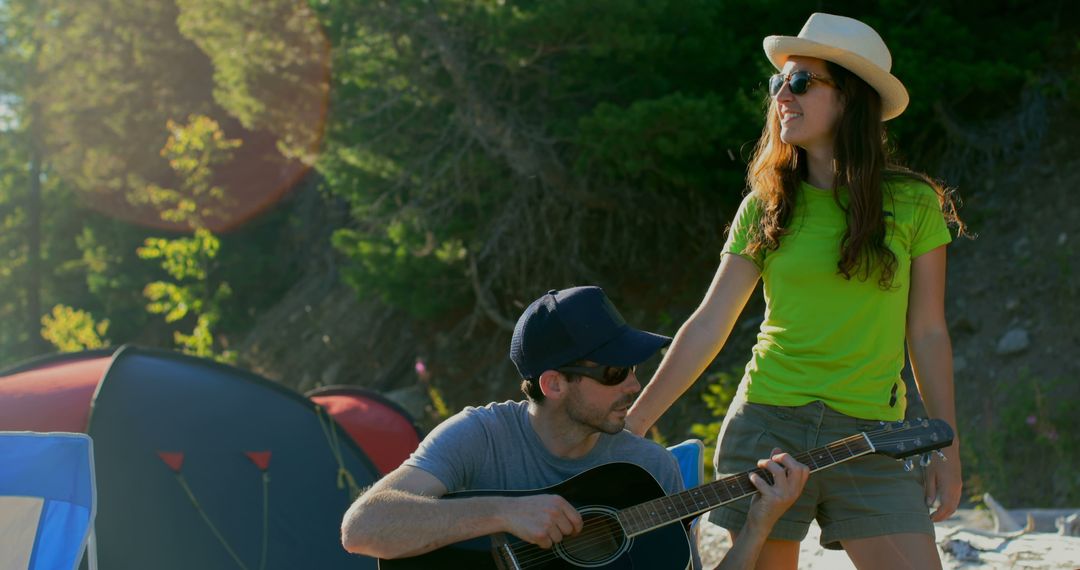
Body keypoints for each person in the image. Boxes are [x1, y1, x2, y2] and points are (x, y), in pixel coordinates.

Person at [624, 13, 965, 570]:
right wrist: (636, 425)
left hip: (876, 439)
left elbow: (927, 333)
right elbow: (711, 321)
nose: (782, 94)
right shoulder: (765, 204)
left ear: (851, 99)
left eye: (802, 81)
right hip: (769, 427)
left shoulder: (914, 204)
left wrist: (944, 446)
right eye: (778, 82)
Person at [341, 286, 810, 569]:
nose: (634, 385)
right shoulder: (478, 436)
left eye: (633, 367)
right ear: (554, 383)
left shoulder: (648, 468)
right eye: (613, 373)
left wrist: (757, 524)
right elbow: (363, 526)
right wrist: (505, 514)